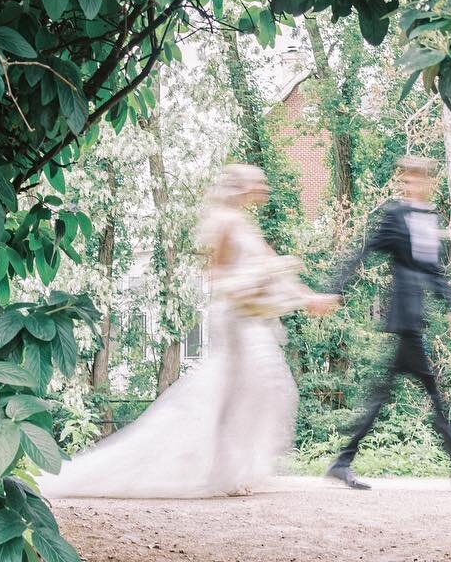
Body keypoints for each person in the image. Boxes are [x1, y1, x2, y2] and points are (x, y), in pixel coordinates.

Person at [36, 163, 337, 499]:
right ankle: (224, 472)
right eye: (257, 182)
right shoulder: (223, 223)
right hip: (234, 317)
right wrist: (248, 286)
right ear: (242, 187)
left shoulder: (248, 225)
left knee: (267, 386)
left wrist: (309, 298)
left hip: (252, 319)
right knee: (239, 392)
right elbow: (217, 274)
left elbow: (274, 269)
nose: (263, 187)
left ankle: (238, 467)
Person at [325, 156, 451, 491]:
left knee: (387, 395)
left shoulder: (430, 219)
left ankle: (343, 461)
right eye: (408, 180)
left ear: (429, 182)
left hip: (414, 320)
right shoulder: (396, 215)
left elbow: (434, 272)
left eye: (418, 179)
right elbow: (365, 250)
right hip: (404, 319)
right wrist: (336, 289)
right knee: (429, 394)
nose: (412, 184)